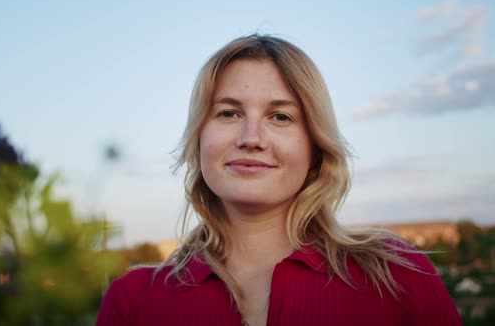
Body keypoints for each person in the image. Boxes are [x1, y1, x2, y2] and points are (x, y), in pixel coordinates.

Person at [96, 34, 461, 326]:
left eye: (281, 117)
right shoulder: (134, 302)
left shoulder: (398, 277)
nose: (251, 137)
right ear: (199, 139)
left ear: (315, 146)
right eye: (228, 112)